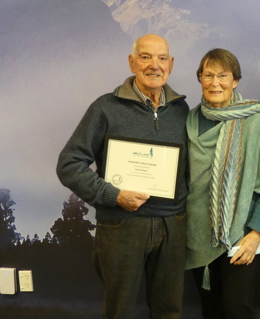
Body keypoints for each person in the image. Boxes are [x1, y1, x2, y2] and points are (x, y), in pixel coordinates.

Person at [56, 34, 189, 319]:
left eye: (162, 58)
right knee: (120, 312)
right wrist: (113, 195)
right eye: (145, 57)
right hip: (122, 225)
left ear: (171, 64)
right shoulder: (105, 108)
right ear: (132, 62)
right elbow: (69, 164)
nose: (154, 65)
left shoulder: (181, 110)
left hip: (173, 226)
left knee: (170, 311)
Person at [186, 48, 260, 319]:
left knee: (236, 310)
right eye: (208, 75)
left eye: (223, 75)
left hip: (239, 237)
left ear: (236, 80)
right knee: (212, 310)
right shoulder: (189, 121)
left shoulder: (256, 121)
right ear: (200, 79)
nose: (215, 83)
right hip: (196, 236)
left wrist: (256, 235)